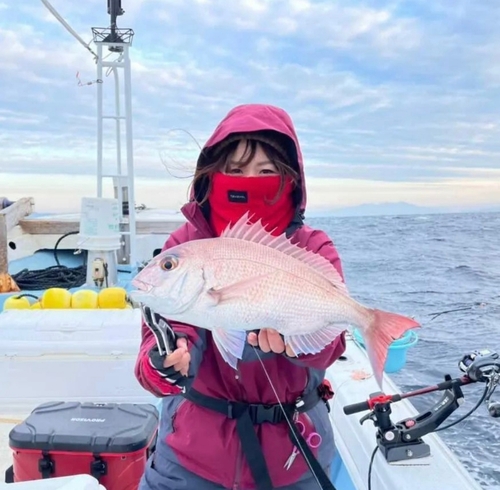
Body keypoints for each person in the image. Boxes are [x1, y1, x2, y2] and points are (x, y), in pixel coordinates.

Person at [135, 103, 347, 490]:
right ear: (213, 174)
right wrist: (165, 362)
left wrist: (296, 343)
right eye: (235, 170)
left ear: (291, 180)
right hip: (191, 458)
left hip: (293, 457)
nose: (250, 180)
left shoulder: (313, 247)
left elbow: (330, 345)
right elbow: (172, 330)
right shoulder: (187, 245)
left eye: (266, 171)